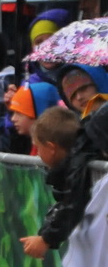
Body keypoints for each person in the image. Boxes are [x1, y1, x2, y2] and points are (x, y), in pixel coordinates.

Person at [21, 106, 100, 258]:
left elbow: (73, 204)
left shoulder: (79, 166)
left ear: (51, 148)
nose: (37, 154)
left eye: (37, 148)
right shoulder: (78, 160)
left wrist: (46, 239)